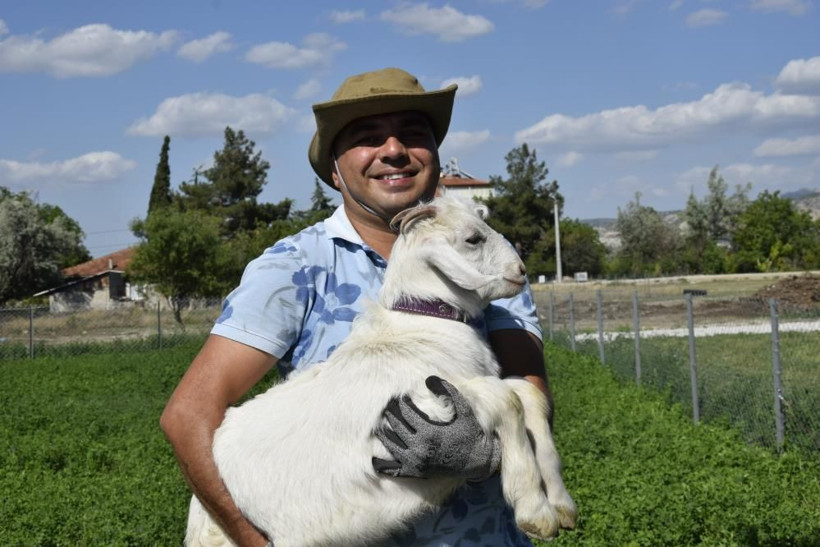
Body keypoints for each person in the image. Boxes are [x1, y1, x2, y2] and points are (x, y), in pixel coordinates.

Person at [160, 67, 554, 546]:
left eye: (413, 134)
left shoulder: (482, 256)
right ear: (334, 169)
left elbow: (531, 394)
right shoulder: (296, 266)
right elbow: (188, 415)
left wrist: (485, 453)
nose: (393, 150)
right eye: (368, 138)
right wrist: (252, 541)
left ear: (434, 156)